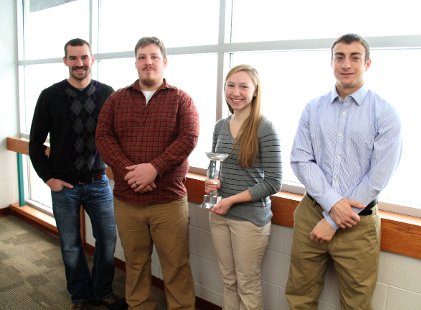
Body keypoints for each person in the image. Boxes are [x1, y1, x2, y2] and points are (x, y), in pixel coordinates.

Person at [285, 33, 402, 309]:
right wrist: (332, 205)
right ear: (332, 62)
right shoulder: (313, 108)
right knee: (299, 295)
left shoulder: (385, 113)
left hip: (358, 224)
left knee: (356, 303)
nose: (346, 64)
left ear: (367, 63)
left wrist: (335, 219)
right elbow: (300, 159)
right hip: (311, 214)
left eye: (355, 57)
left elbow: (378, 176)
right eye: (340, 57)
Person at [95, 36, 199, 309]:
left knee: (176, 267)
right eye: (142, 57)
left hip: (168, 201)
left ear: (164, 61)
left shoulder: (181, 99)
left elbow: (188, 138)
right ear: (136, 63)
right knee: (136, 265)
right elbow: (103, 137)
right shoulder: (117, 99)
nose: (147, 62)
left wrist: (154, 169)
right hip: (128, 201)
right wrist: (131, 173)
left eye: (153, 56)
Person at [29, 38, 127, 310]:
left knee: (107, 241)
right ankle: (80, 296)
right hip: (65, 187)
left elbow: (119, 136)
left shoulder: (108, 93)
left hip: (98, 183)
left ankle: (103, 291)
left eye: (84, 57)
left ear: (92, 59)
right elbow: (36, 144)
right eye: (73, 58)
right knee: (71, 246)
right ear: (65, 61)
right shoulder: (49, 96)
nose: (79, 63)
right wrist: (48, 179)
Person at [204, 64, 283, 309]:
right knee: (228, 281)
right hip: (219, 214)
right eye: (230, 85)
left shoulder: (265, 128)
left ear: (255, 91)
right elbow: (217, 167)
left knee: (247, 284)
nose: (235, 92)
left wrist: (231, 200)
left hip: (249, 220)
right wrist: (211, 182)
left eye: (243, 86)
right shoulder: (220, 126)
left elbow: (274, 182)